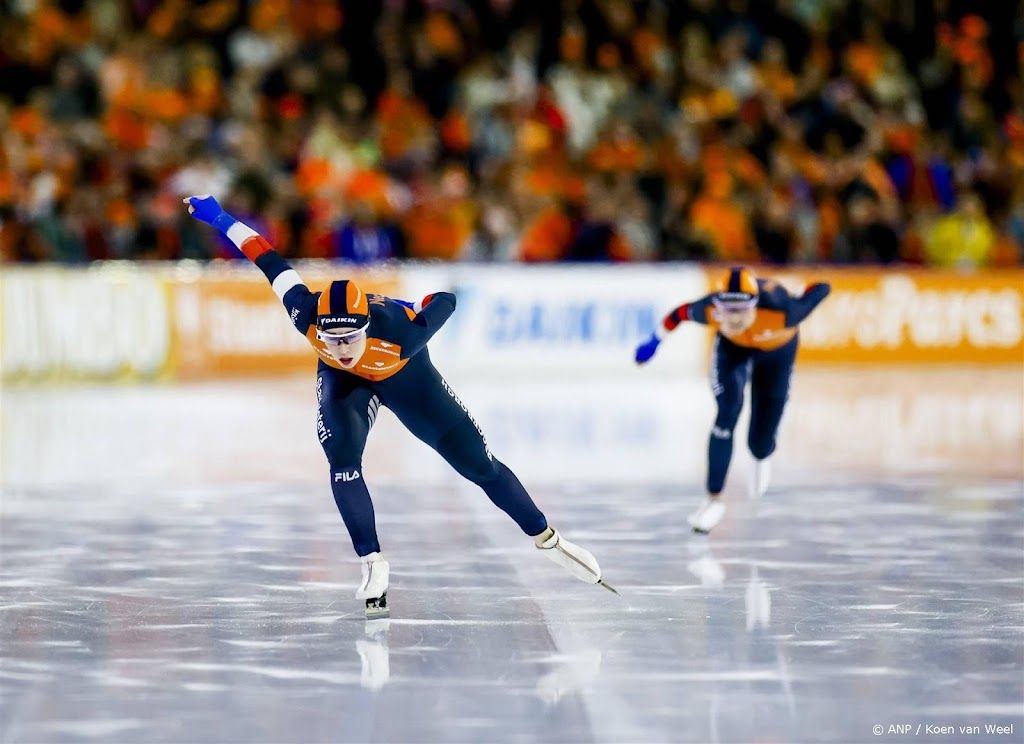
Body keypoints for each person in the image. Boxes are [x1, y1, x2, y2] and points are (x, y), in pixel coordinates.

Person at [184, 194, 614, 618]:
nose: (343, 347)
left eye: (350, 339)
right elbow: (267, 257)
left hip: (409, 380)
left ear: (368, 327)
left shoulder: (403, 333)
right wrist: (221, 217)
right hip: (345, 384)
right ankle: (372, 562)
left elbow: (446, 299)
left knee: (479, 466)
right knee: (342, 459)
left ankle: (548, 539)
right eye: (331, 340)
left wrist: (416, 307)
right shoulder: (304, 311)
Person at [634, 267, 831, 533]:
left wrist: (801, 292)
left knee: (759, 443)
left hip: (777, 354)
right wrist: (654, 341)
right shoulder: (710, 310)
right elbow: (679, 314)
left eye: (742, 309)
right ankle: (713, 500)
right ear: (718, 304)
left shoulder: (785, 311)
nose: (735, 317)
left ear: (756, 304)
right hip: (732, 350)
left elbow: (821, 289)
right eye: (728, 308)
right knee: (727, 411)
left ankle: (762, 457)